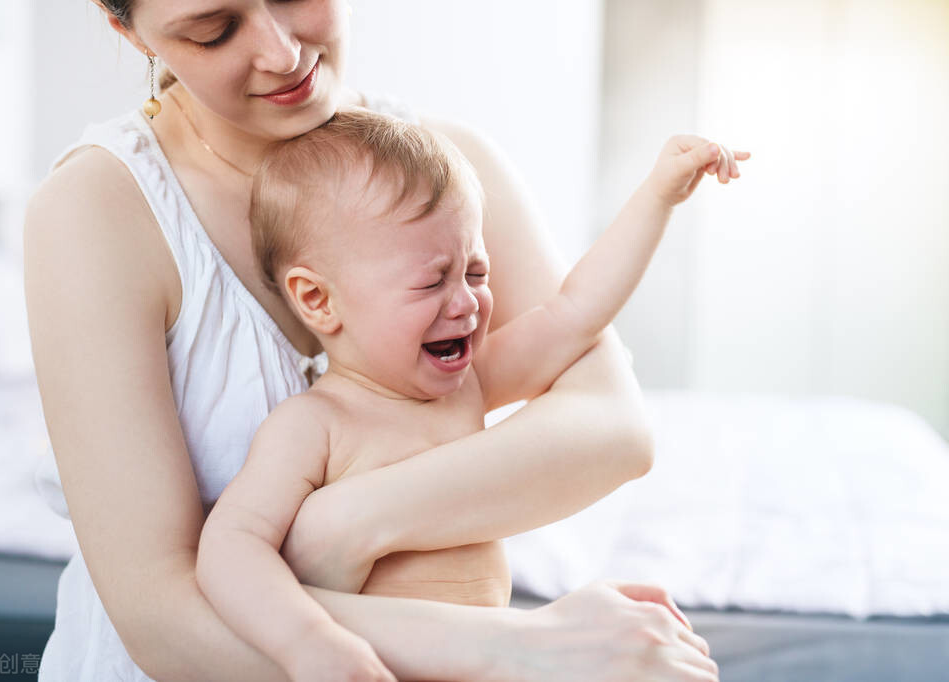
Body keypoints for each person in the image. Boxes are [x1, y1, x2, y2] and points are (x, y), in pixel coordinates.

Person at [24, 1, 739, 680]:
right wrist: (523, 649)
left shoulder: (444, 168)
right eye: (213, 29)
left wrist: (342, 524)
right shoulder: (97, 210)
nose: (281, 52)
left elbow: (609, 418)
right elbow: (163, 618)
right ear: (131, 32)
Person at [196, 108, 746, 681]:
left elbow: (576, 310)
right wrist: (308, 641)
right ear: (318, 300)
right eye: (432, 281)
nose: (465, 303)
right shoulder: (314, 424)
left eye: (477, 273)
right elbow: (231, 547)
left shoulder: (468, 384)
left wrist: (658, 196)